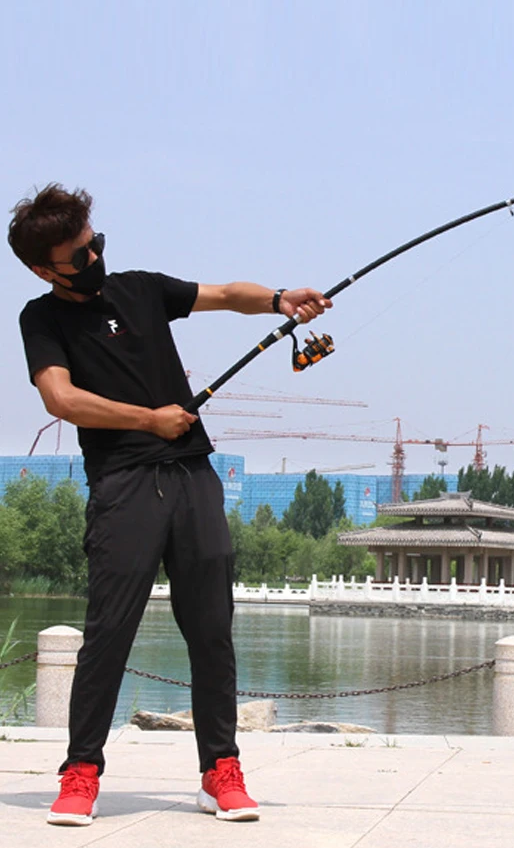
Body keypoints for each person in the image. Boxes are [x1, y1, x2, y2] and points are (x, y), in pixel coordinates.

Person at [8, 185, 331, 826]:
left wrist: (279, 300)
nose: (94, 257)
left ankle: (221, 770)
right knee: (108, 634)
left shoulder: (140, 289)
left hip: (193, 477)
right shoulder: (40, 319)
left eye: (96, 244)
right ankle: (80, 774)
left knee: (211, 631)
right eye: (79, 255)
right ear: (46, 270)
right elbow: (61, 399)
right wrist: (147, 419)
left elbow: (225, 294)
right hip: (124, 484)